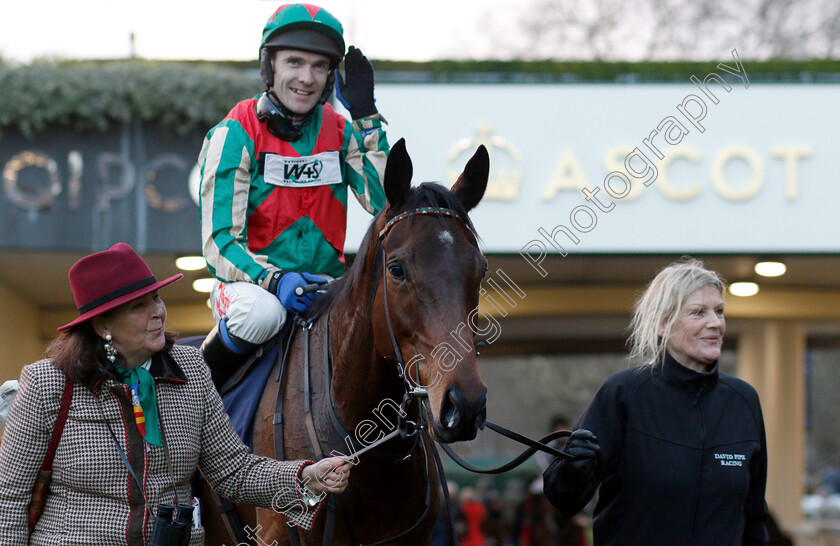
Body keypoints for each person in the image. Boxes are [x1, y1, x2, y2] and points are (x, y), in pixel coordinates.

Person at [0, 243, 351, 544]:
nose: (158, 312)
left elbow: (234, 470)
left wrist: (306, 476)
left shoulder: (190, 368)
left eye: (156, 298)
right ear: (102, 325)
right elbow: (9, 498)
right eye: (139, 306)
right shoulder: (48, 383)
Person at [198, 3, 389, 381]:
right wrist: (277, 280)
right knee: (263, 314)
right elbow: (219, 244)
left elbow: (382, 203)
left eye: (320, 66)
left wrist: (367, 117)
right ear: (270, 66)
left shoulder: (341, 131)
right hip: (250, 290)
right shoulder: (234, 133)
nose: (307, 78)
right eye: (295, 62)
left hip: (326, 287)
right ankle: (194, 402)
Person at [544, 258, 769, 545]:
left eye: (719, 311)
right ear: (663, 324)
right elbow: (565, 500)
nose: (715, 323)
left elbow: (754, 517)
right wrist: (572, 469)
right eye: (698, 312)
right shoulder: (622, 393)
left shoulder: (743, 401)